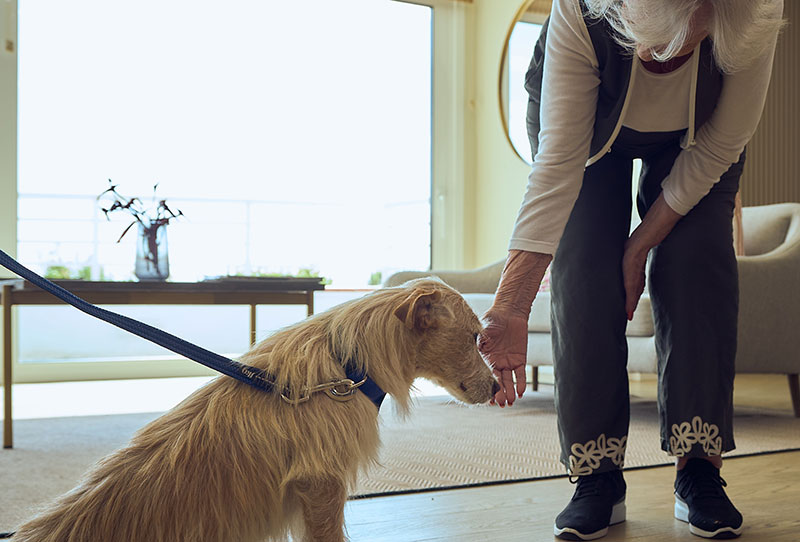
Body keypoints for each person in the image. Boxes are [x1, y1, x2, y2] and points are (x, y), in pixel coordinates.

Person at [478, 0, 784, 539]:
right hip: (583, 129)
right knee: (584, 267)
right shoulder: (581, 9)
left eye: (683, 48)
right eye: (654, 48)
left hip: (700, 141)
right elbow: (558, 169)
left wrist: (639, 245)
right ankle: (595, 474)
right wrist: (510, 305)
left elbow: (718, 148)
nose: (664, 62)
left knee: (697, 259)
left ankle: (700, 468)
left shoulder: (754, 9)